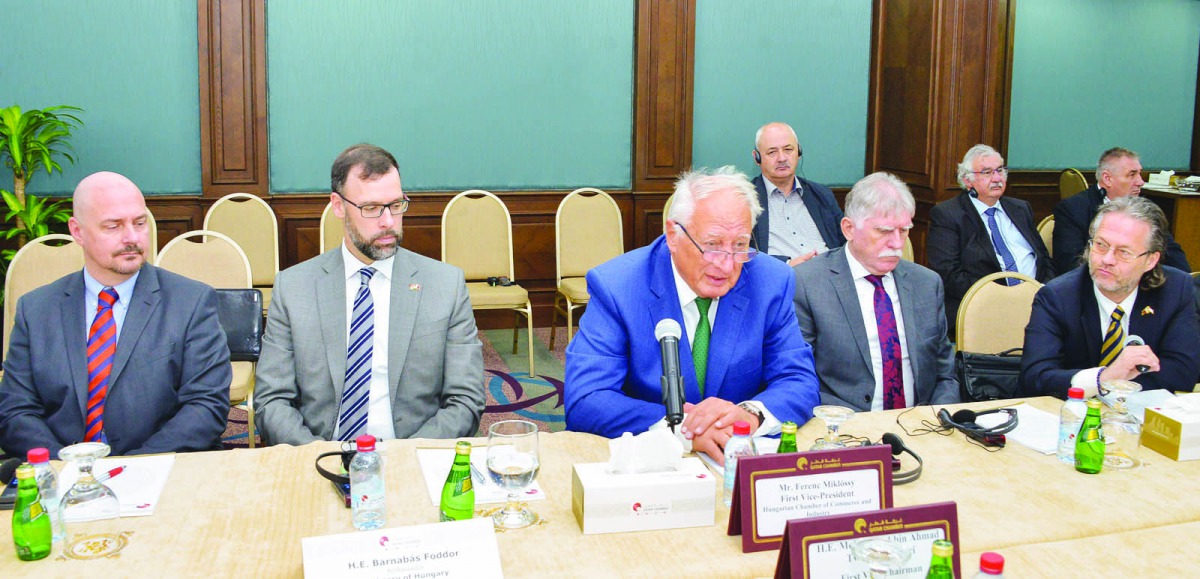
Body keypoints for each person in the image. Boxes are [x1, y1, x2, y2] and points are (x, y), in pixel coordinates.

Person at [564, 166, 820, 463]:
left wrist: (748, 415)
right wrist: (681, 428)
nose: (726, 265)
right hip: (646, 465)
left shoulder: (771, 281)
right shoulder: (617, 286)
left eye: (740, 245)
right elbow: (587, 399)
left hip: (735, 459)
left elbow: (798, 380)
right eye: (711, 246)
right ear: (673, 235)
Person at [255, 144, 484, 445]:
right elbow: (271, 402)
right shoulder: (294, 287)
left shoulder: (445, 285)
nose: (388, 221)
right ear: (338, 206)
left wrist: (407, 458)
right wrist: (319, 458)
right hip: (319, 458)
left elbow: (466, 400)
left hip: (412, 456)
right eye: (371, 208)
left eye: (396, 204)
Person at [0, 172, 231, 458]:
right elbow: (16, 410)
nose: (132, 238)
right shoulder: (35, 310)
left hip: (161, 471)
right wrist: (70, 468)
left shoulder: (191, 302)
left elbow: (206, 406)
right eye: (113, 226)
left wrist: (131, 469)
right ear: (78, 231)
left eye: (139, 223)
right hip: (62, 473)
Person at [794, 172, 959, 412]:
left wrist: (935, 418)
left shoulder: (926, 284)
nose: (897, 243)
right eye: (883, 231)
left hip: (921, 427)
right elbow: (797, 379)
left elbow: (946, 374)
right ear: (849, 229)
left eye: (903, 231)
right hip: (844, 428)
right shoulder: (809, 284)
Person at [1021, 196, 1199, 399]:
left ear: (1150, 260)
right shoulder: (1057, 297)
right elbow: (1035, 378)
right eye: (1101, 245)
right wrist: (1104, 378)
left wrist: (1119, 386)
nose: (1106, 259)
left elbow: (1184, 372)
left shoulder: (1175, 290)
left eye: (1123, 252)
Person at [928, 144, 1054, 336]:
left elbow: (1044, 260)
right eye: (987, 172)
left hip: (1035, 303)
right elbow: (949, 275)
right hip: (983, 309)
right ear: (967, 181)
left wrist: (1044, 291)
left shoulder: (1021, 208)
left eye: (1000, 170)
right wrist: (1005, 298)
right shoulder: (948, 215)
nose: (997, 178)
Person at [1053, 147, 1190, 275]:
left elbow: (1176, 259)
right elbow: (1070, 266)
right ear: (1107, 179)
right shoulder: (1072, 209)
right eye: (1132, 175)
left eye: (1140, 174)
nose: (1141, 182)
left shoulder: (1147, 210)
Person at [749, 122, 846, 266]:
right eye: (772, 152)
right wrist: (786, 264)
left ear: (798, 152)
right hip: (782, 278)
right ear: (757, 157)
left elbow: (847, 240)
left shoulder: (821, 194)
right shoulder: (745, 199)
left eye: (788, 149)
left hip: (829, 275)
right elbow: (742, 252)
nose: (782, 158)